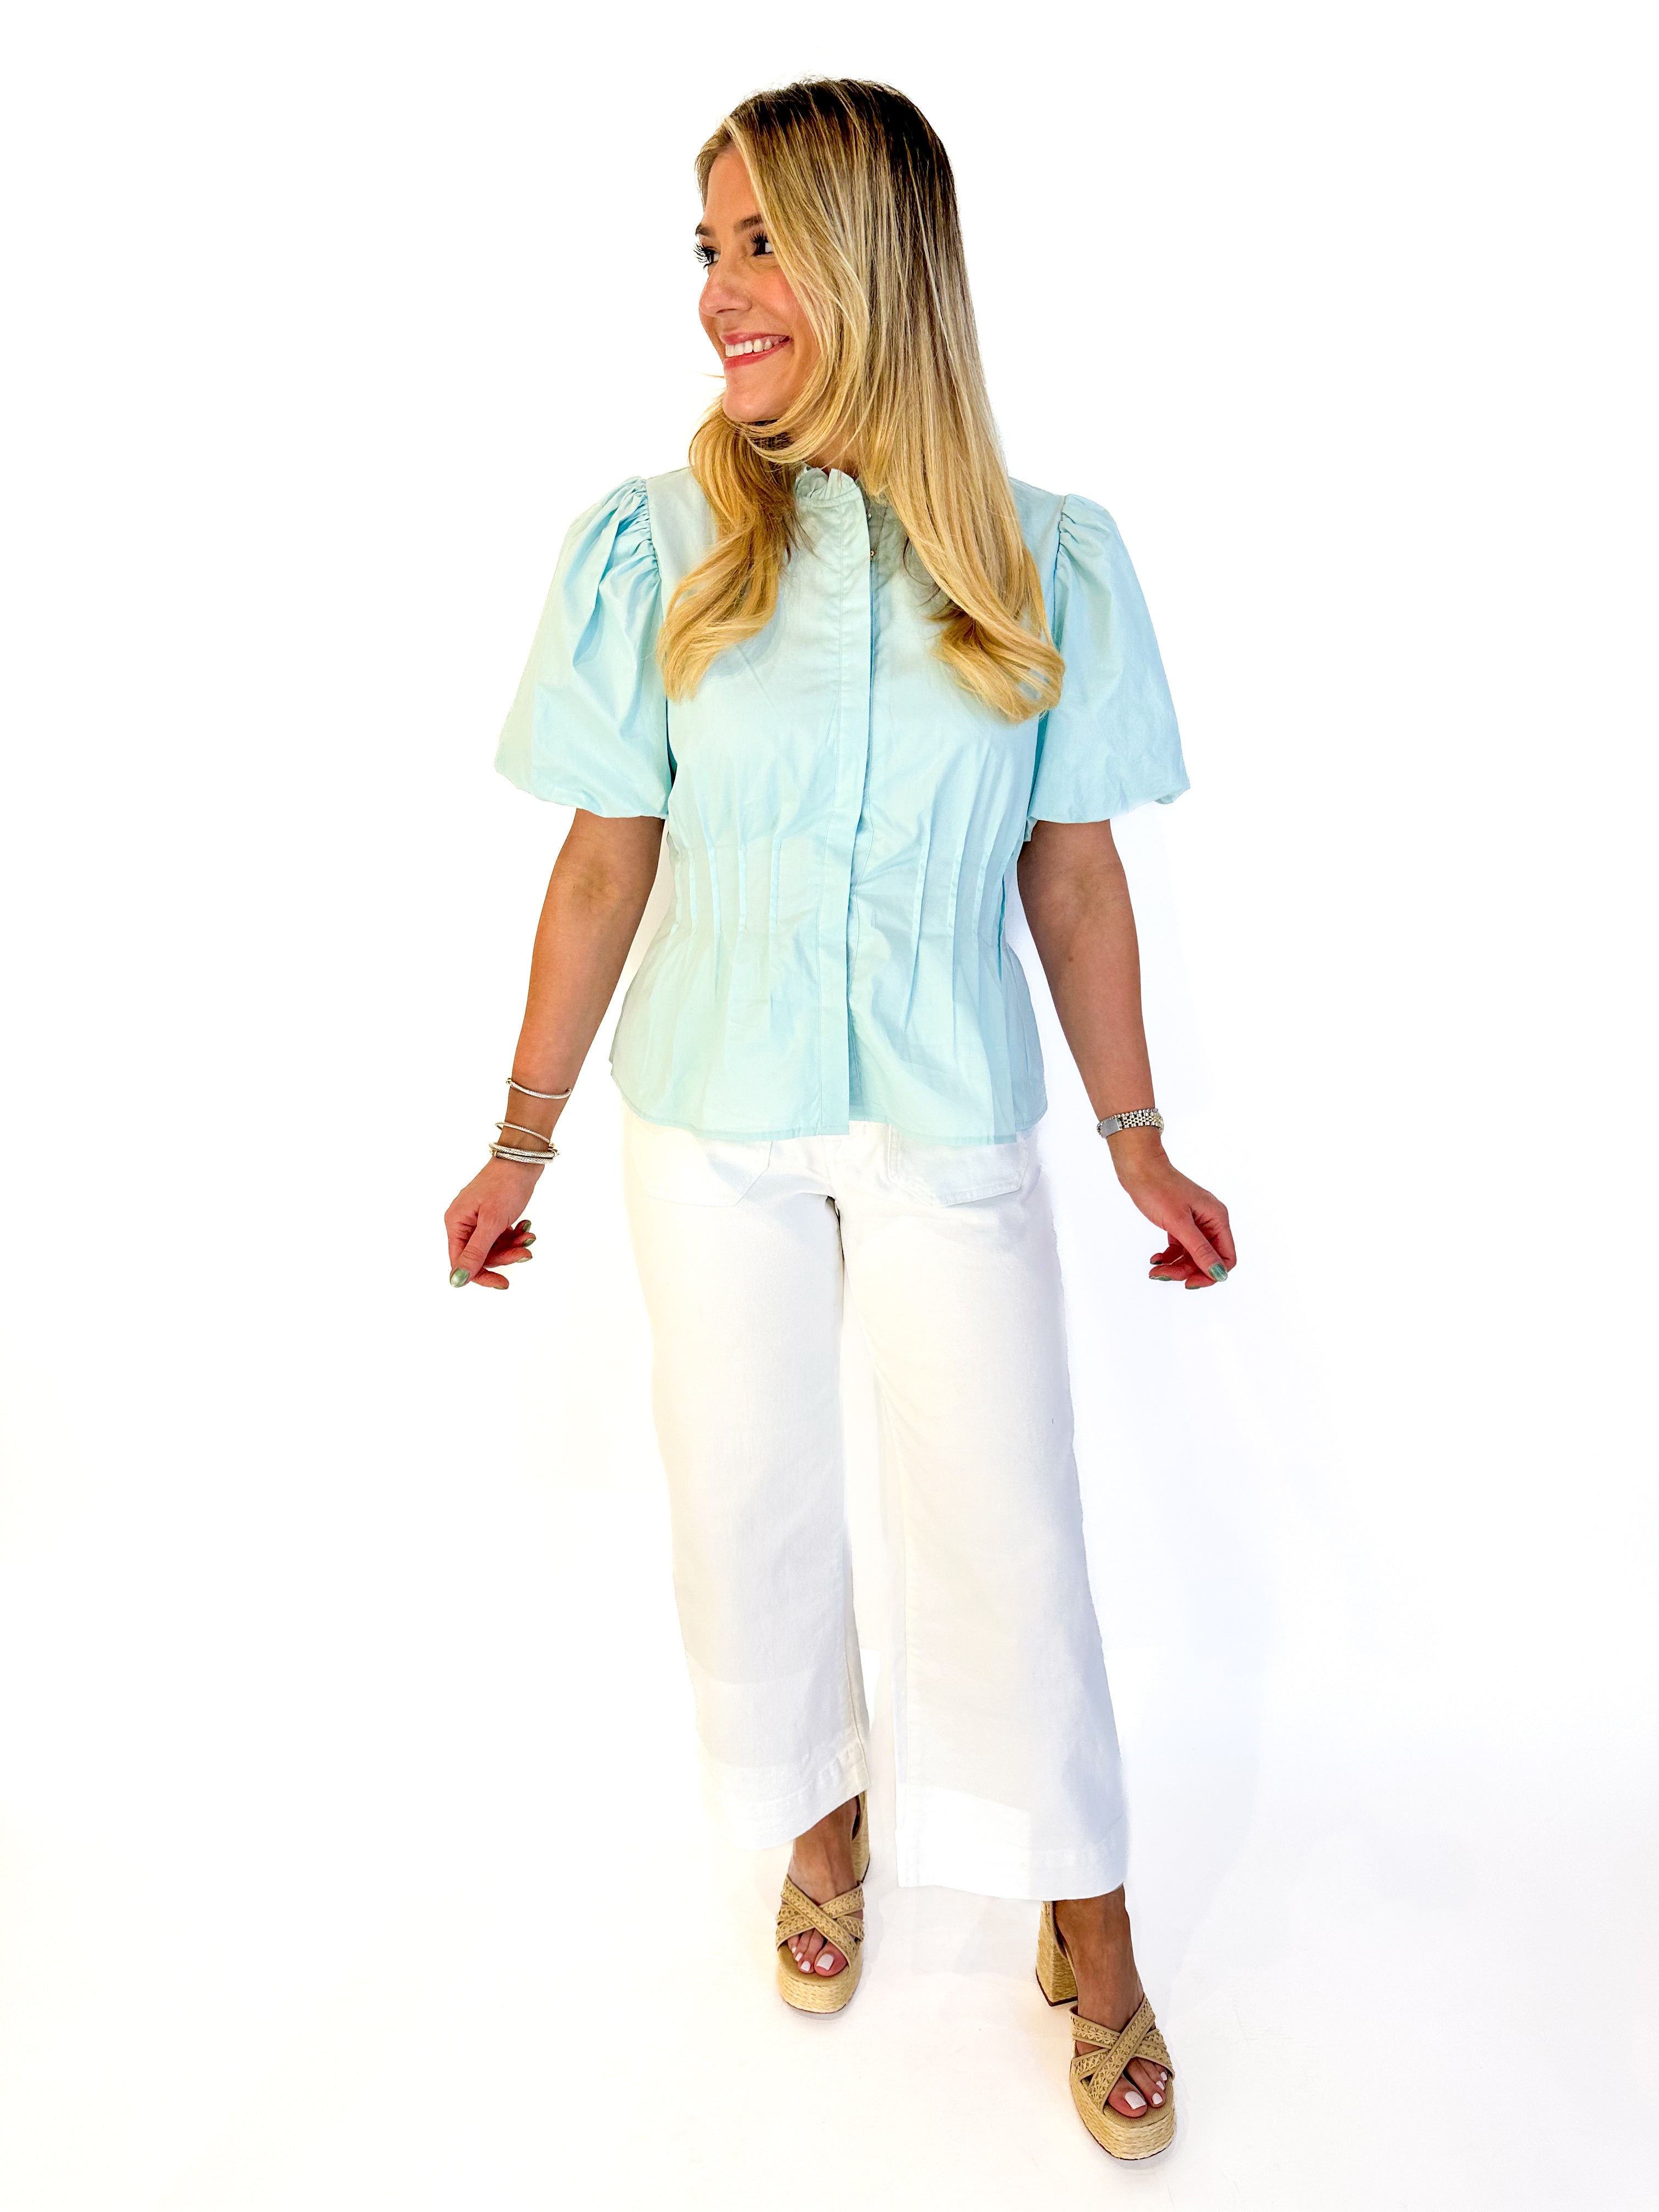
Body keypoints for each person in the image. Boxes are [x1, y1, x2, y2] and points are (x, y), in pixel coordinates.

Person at [443, 77, 1234, 2164]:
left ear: (879, 260)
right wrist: (518, 1140)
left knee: (1008, 1525)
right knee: (749, 1505)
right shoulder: (661, 544)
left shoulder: (1049, 560)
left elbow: (1074, 875)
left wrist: (1140, 1138)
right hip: (708, 1122)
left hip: (947, 1112)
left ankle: (1088, 1916)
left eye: (762, 244)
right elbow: (606, 860)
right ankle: (822, 1824)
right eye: (706, 250)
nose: (720, 293)